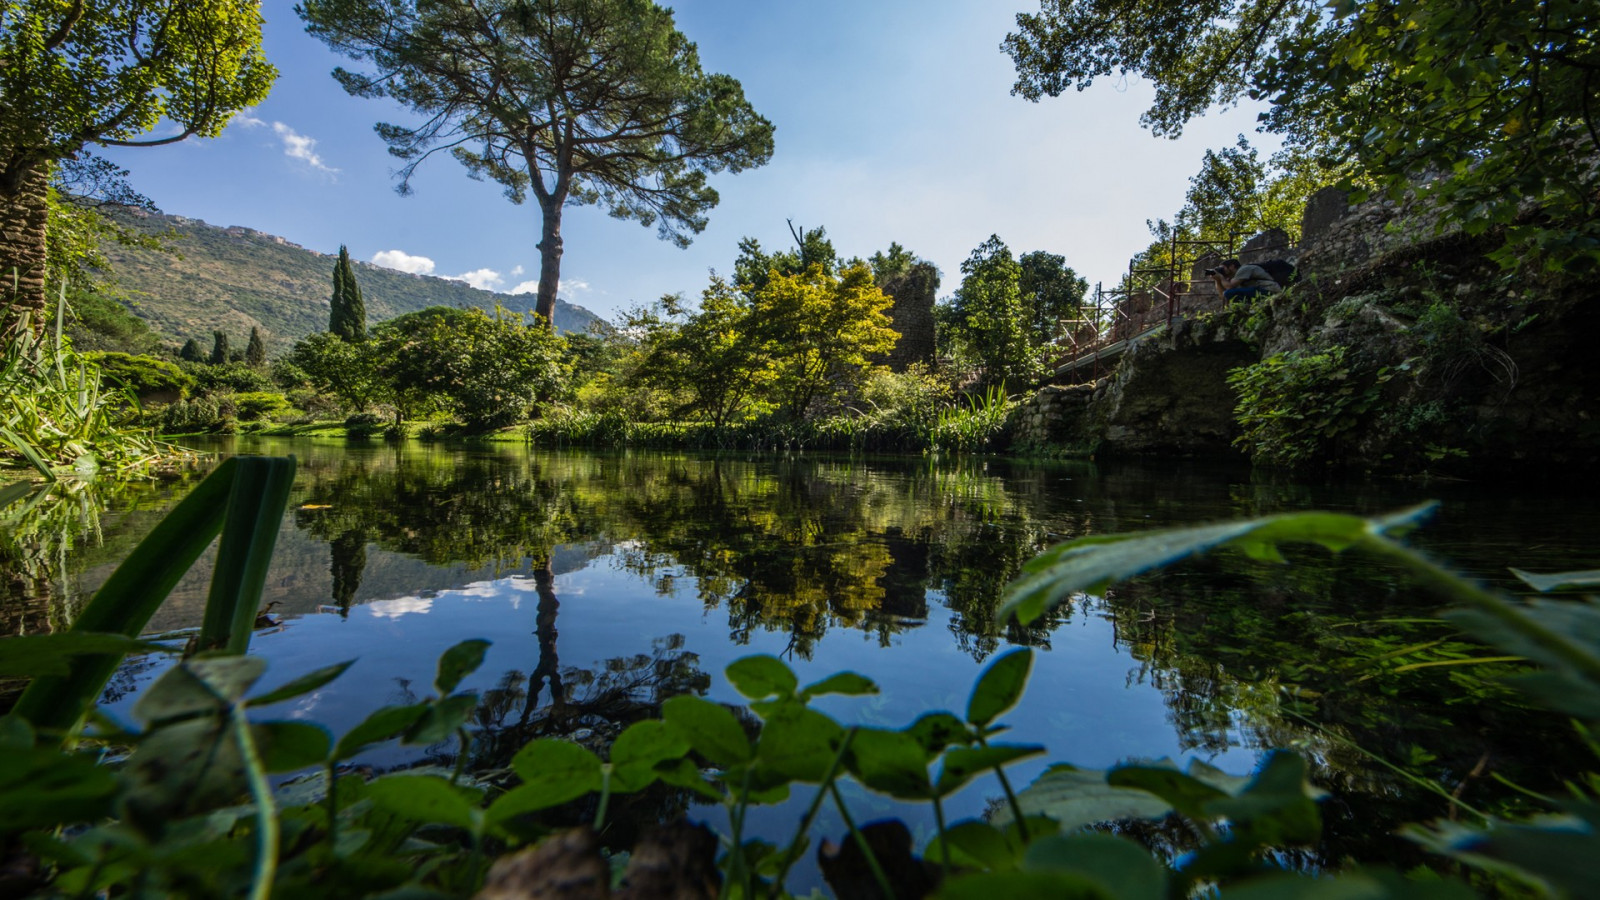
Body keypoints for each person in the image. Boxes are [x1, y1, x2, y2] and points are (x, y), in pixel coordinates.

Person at [1208, 259, 1280, 302]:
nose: (1222, 271)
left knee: (1229, 293)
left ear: (1232, 266)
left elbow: (1230, 287)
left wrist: (1221, 277)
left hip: (1269, 290)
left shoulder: (1244, 269)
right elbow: (1222, 295)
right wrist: (1217, 280)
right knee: (1228, 294)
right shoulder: (1234, 277)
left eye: (1223, 268)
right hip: (1259, 291)